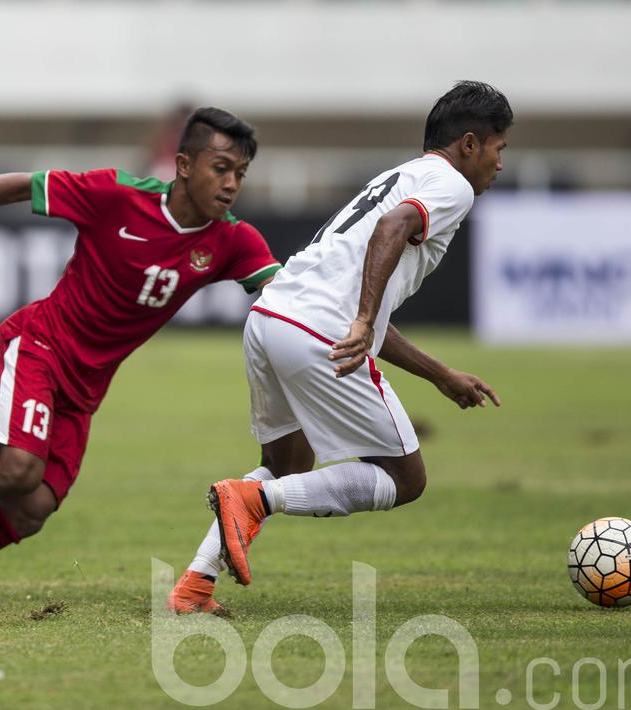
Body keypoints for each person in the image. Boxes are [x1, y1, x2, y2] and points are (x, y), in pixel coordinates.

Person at [0, 107, 283, 603]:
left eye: (240, 173)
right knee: (17, 470)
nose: (231, 184)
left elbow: (287, 295)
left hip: (84, 389)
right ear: (185, 165)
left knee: (31, 508)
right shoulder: (117, 195)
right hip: (37, 346)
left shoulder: (232, 241)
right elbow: (24, 185)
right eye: (221, 168)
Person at [169, 81, 513, 613]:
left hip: (270, 318)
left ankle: (195, 584)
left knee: (285, 464)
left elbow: (363, 301)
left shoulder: (401, 176)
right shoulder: (451, 185)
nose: (499, 163)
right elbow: (393, 228)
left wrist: (439, 373)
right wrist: (364, 319)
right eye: (498, 148)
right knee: (405, 479)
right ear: (469, 144)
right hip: (318, 328)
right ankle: (254, 500)